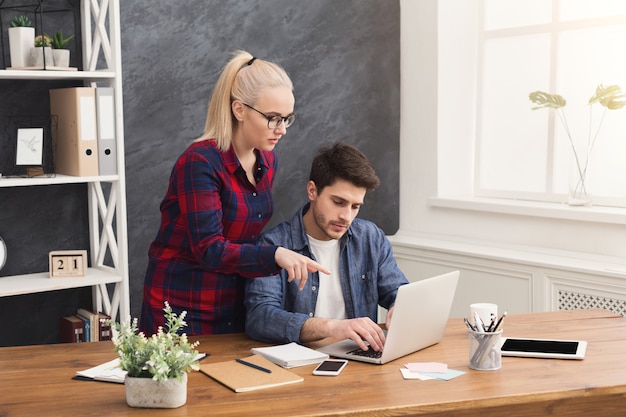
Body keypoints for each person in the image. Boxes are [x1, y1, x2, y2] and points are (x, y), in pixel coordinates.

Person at [140, 50, 329, 335]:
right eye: (273, 118)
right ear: (239, 109)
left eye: (287, 119)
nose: (282, 130)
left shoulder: (267, 159)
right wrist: (275, 254)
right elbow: (209, 249)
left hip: (233, 302)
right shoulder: (200, 162)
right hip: (182, 305)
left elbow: (243, 241)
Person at [245, 142, 409, 352]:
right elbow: (260, 317)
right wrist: (332, 327)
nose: (346, 216)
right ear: (312, 191)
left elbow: (397, 291)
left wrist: (398, 307)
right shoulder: (273, 245)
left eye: (355, 206)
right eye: (338, 202)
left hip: (361, 363)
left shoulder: (370, 238)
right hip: (301, 364)